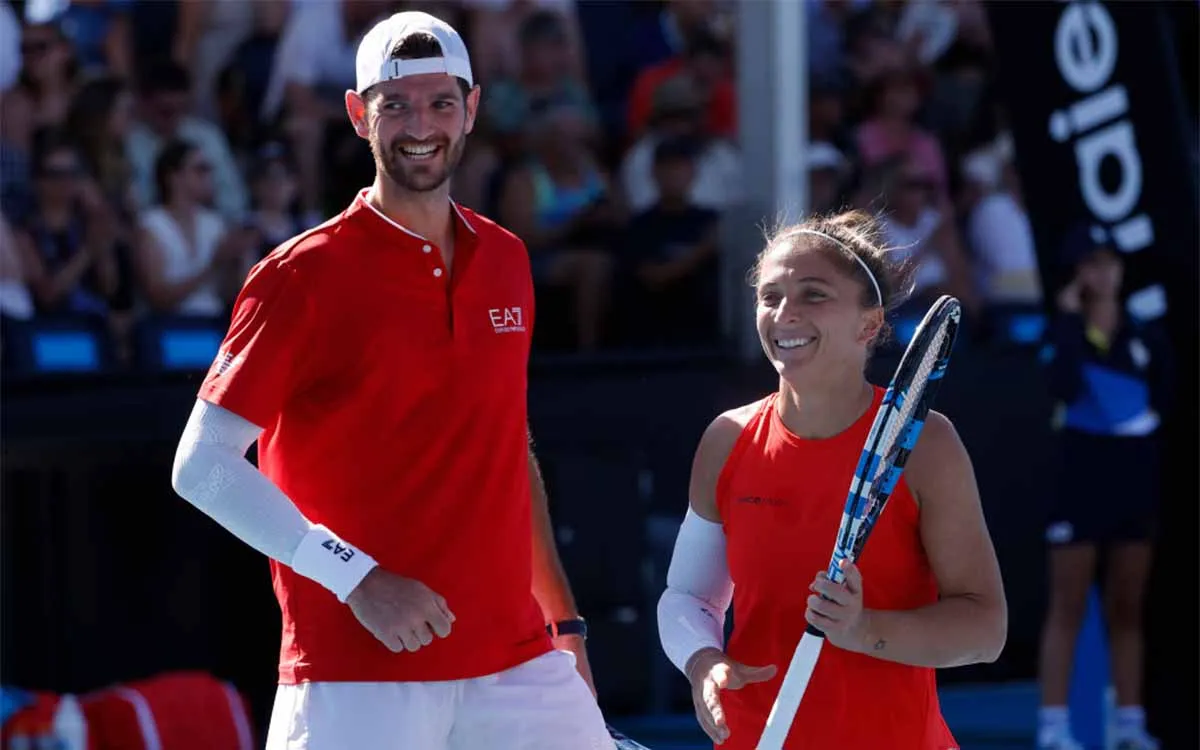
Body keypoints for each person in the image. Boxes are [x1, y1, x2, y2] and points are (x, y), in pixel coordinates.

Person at [169, 11, 613, 750]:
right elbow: (201, 469)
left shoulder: (505, 257)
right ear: (357, 114)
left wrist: (562, 623)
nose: (421, 124)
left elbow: (509, 449)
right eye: (396, 104)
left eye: (442, 102)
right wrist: (356, 578)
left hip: (517, 663)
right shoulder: (298, 275)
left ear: (472, 109)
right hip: (353, 675)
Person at [656, 210, 1008, 749]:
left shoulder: (928, 445)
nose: (783, 313)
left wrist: (862, 630)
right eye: (769, 296)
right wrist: (703, 660)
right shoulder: (726, 439)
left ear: (868, 324)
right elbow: (687, 597)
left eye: (813, 294)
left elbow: (985, 631)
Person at [1035, 229, 1171, 750]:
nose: (1103, 272)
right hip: (1079, 483)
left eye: (1110, 262)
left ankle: (1131, 725)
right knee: (1067, 603)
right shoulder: (1062, 331)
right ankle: (1053, 727)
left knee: (1128, 606)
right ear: (1078, 274)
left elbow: (1166, 398)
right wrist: (1071, 320)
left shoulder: (1145, 335)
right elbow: (1061, 386)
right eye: (1091, 264)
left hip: (1134, 484)